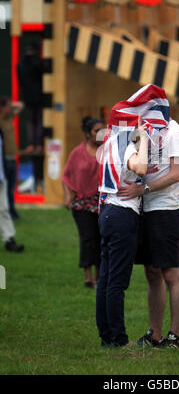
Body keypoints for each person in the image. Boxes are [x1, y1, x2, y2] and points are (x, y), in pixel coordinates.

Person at [118, 116, 179, 349]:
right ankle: (154, 333)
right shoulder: (145, 129)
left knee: (170, 273)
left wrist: (143, 188)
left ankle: (174, 336)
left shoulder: (174, 131)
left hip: (165, 209)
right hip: (144, 208)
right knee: (151, 272)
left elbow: (177, 173)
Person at [96, 116, 149, 348]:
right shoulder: (123, 146)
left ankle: (106, 335)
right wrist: (144, 140)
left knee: (106, 280)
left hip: (108, 211)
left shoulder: (108, 144)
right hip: (122, 213)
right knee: (116, 282)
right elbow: (140, 166)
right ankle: (118, 338)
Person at [62, 116, 104, 288]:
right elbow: (66, 176)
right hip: (82, 204)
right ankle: (88, 277)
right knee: (87, 239)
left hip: (102, 203)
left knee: (101, 238)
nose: (101, 134)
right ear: (87, 134)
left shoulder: (108, 151)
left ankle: (99, 277)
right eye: (97, 131)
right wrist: (67, 196)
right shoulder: (77, 153)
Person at [0, 100, 24, 252]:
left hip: (2, 173)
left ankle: (9, 239)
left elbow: (21, 106)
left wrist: (10, 105)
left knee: (4, 208)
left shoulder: (7, 120)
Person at [17, 43, 44, 153]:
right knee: (39, 120)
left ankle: (30, 144)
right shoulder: (38, 62)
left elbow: (20, 80)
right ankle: (39, 145)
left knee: (30, 121)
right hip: (39, 96)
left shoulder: (21, 63)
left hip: (27, 96)